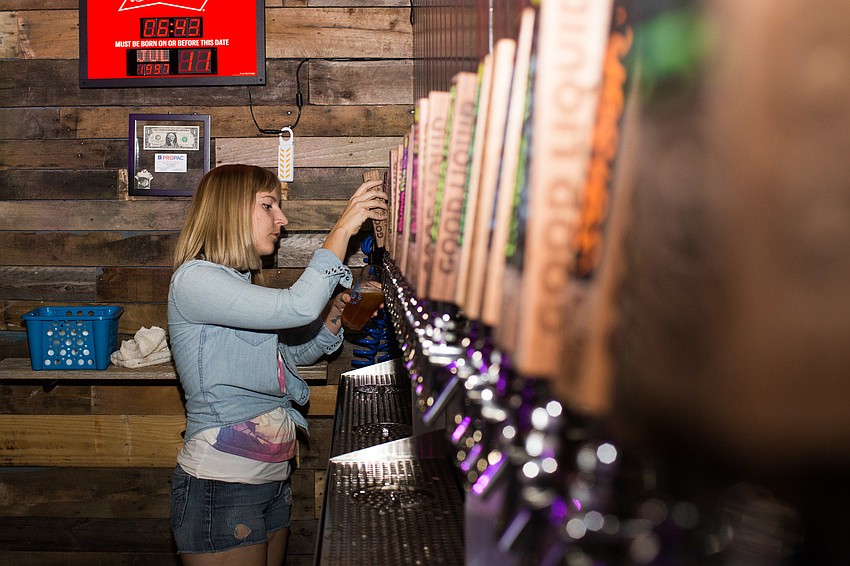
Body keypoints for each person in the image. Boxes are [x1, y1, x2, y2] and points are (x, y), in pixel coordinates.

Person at [167, 164, 386, 565]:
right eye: (268, 205)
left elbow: (286, 358)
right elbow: (298, 306)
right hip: (222, 482)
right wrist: (342, 229)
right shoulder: (195, 280)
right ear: (230, 210)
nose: (281, 219)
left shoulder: (235, 280)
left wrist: (335, 313)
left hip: (269, 478)